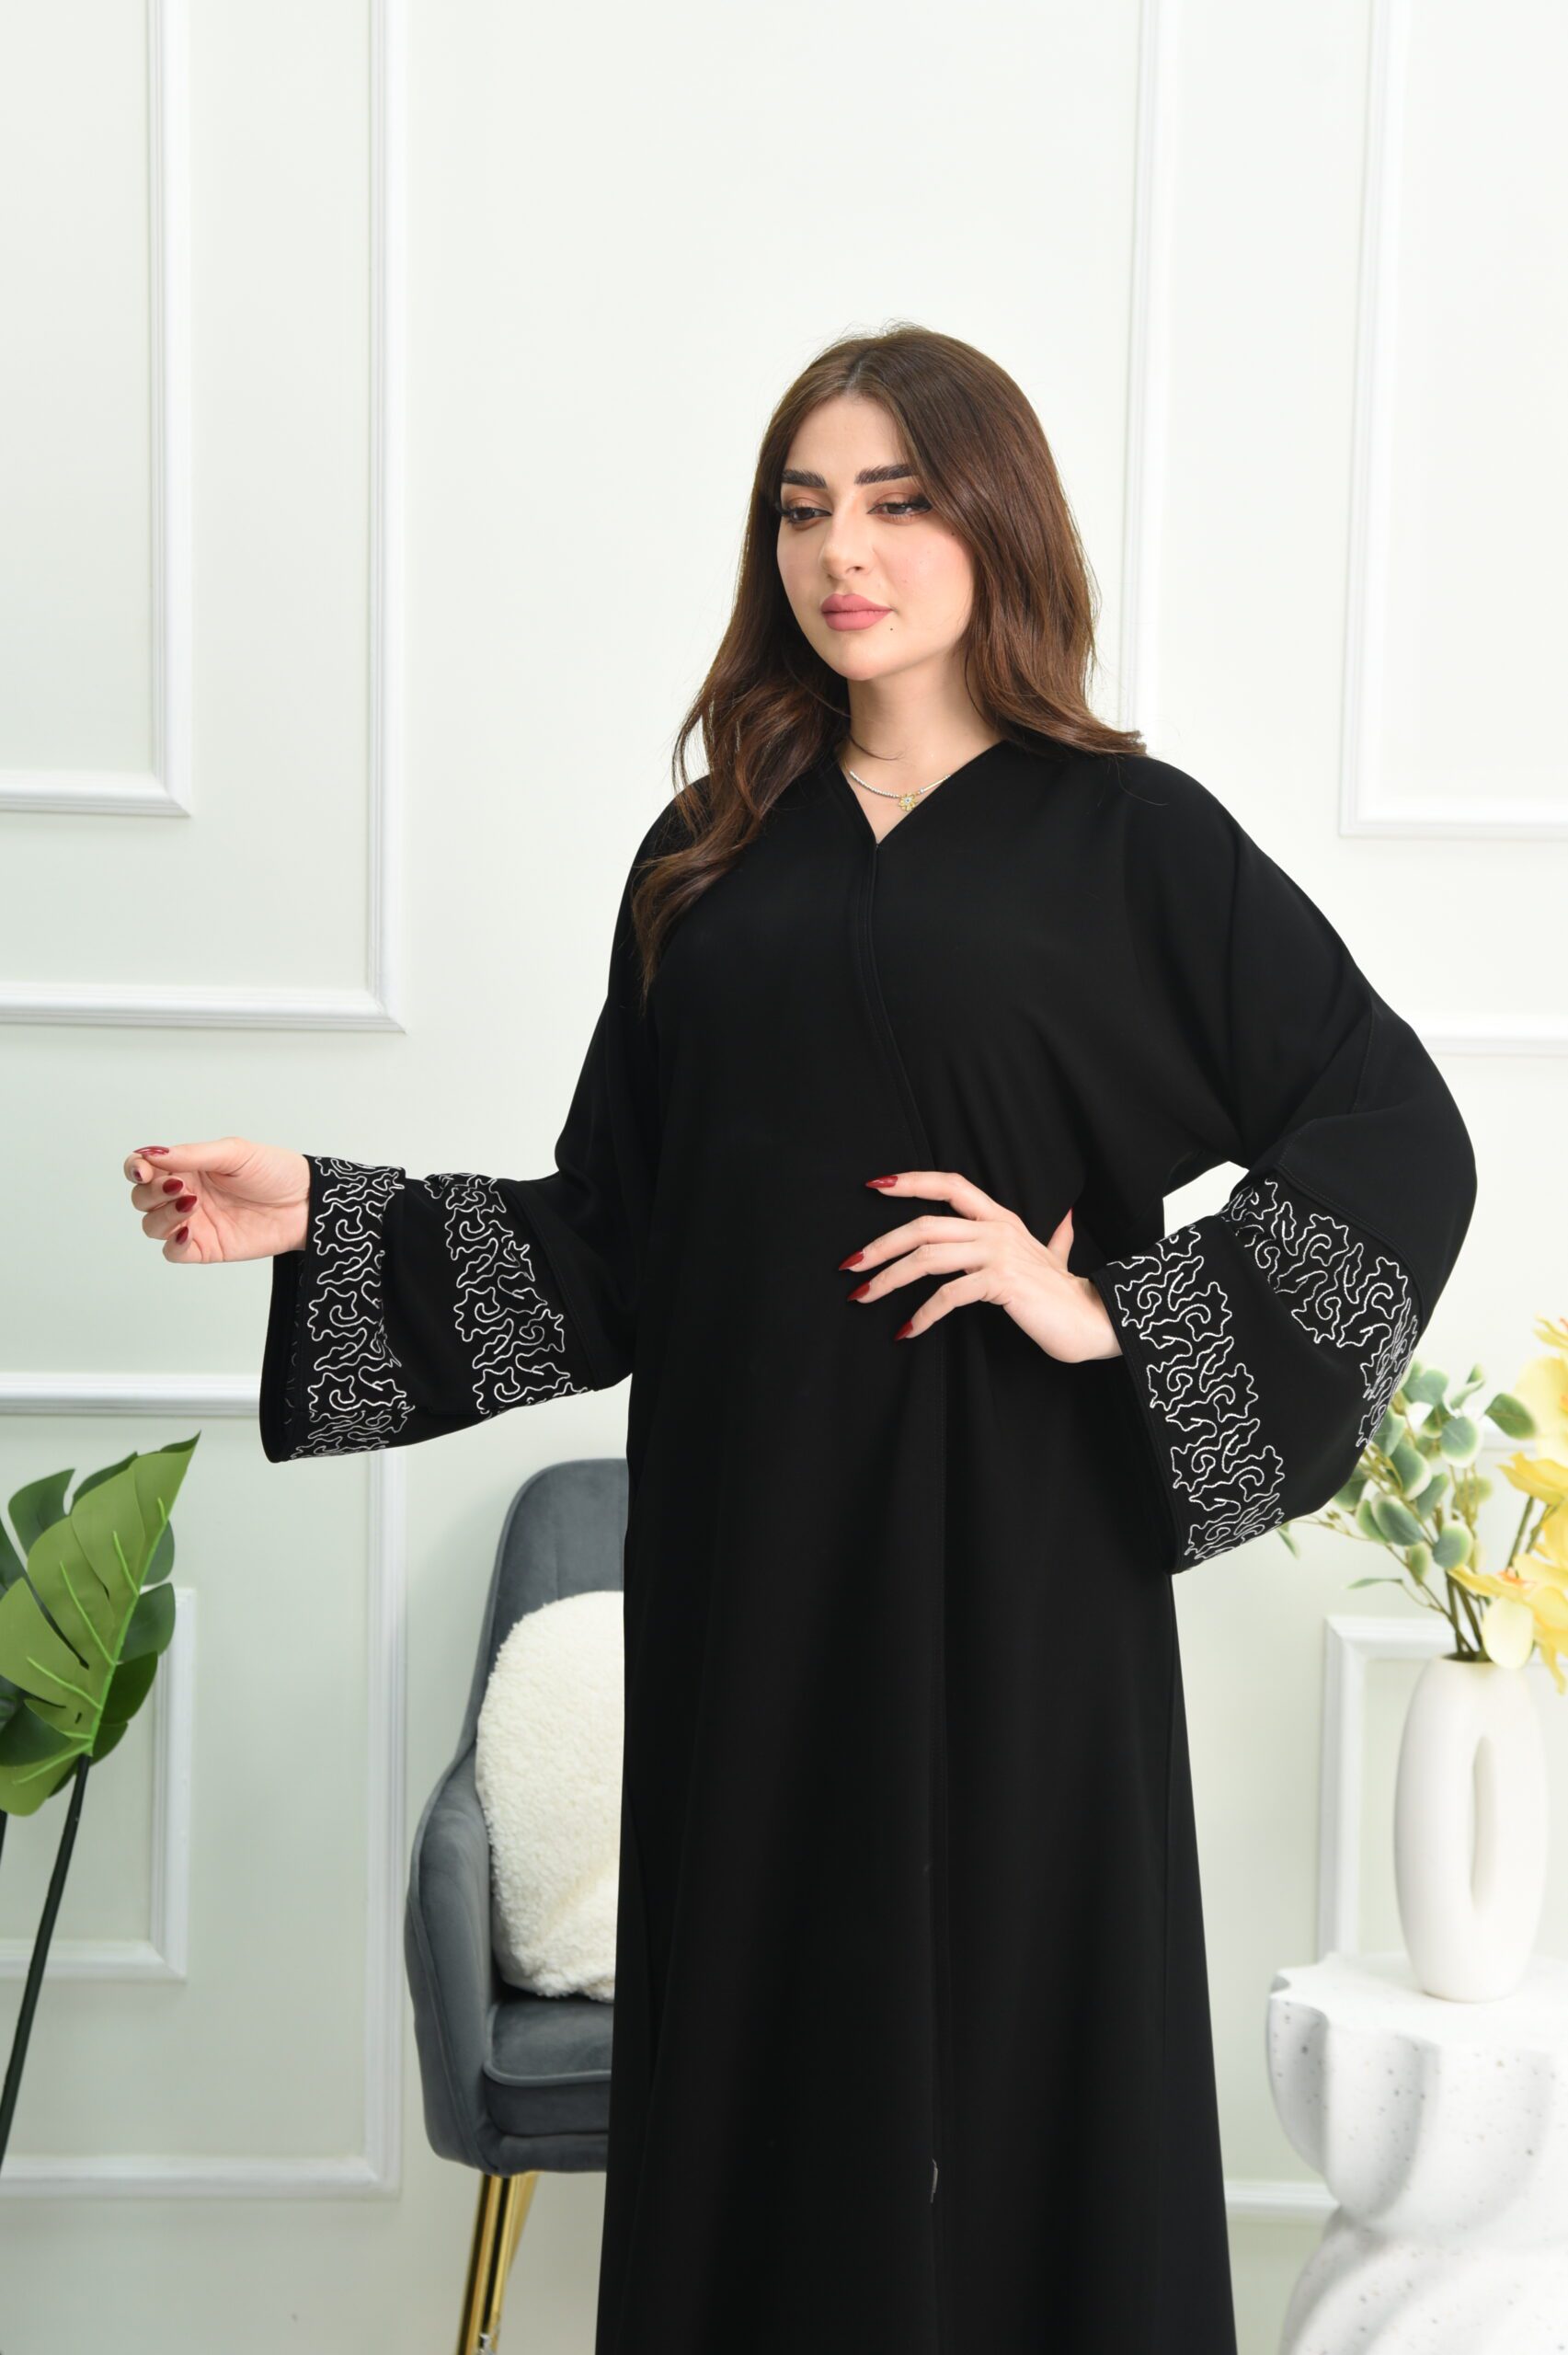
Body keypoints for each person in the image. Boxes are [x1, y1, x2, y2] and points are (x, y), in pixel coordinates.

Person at [121, 325, 1477, 2354]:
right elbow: (613, 1243)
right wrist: (324, 1206)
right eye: (805, 508)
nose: (844, 551)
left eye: (899, 503)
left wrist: (1111, 1309)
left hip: (1023, 1550)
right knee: (768, 2048)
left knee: (1015, 2043)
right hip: (753, 1555)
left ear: (995, 522)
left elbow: (1393, 1129)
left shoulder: (1135, 840)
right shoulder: (710, 851)